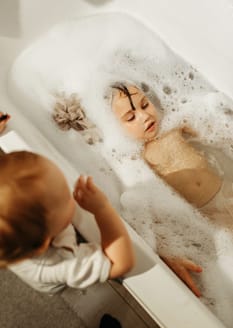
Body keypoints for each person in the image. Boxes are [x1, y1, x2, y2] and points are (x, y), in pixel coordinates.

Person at [110, 83, 233, 297]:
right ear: (114, 128)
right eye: (130, 118)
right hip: (208, 213)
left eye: (145, 105)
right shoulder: (139, 159)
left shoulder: (174, 127)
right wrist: (167, 248)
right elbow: (146, 206)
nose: (144, 116)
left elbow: (215, 132)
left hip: (226, 189)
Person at [0, 147, 135, 293]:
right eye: (66, 197)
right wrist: (102, 209)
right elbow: (121, 263)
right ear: (46, 241)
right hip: (54, 276)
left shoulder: (18, 235)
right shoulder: (62, 262)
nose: (71, 192)